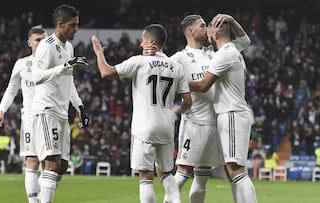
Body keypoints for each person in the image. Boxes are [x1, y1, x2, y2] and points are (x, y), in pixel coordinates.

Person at [144, 14, 251, 203]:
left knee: (203, 176)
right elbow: (160, 71)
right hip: (195, 122)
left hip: (217, 123)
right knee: (184, 171)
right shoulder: (180, 57)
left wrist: (232, 21)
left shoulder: (215, 53)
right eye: (202, 26)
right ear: (191, 31)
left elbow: (244, 41)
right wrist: (149, 53)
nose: (206, 28)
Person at [91, 24, 192, 203]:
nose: (140, 44)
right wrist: (176, 111)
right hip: (167, 127)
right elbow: (187, 101)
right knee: (166, 174)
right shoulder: (176, 67)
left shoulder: (139, 61)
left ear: (151, 41)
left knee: (146, 176)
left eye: (143, 40)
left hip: (145, 126)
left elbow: (106, 72)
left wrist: (99, 53)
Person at [188, 15, 258, 203]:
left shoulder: (224, 54)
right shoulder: (232, 49)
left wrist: (178, 83)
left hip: (231, 114)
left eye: (208, 28)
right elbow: (246, 40)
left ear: (215, 33)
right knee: (232, 171)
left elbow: (203, 85)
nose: (206, 32)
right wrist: (233, 21)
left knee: (237, 170)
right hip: (231, 114)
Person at [31, 4, 89, 203]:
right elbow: (36, 76)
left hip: (63, 112)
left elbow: (69, 80)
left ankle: (41, 199)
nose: (76, 29)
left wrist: (79, 106)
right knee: (52, 162)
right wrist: (63, 66)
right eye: (73, 25)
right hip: (47, 109)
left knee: (63, 165)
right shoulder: (47, 45)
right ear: (60, 24)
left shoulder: (69, 47)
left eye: (77, 25)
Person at [0, 25, 47, 203]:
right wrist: (1, 111)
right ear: (29, 42)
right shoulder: (22, 64)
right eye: (38, 40)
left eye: (44, 39)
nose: (41, 43)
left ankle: (45, 198)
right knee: (31, 161)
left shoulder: (54, 63)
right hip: (30, 118)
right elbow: (11, 90)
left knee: (52, 164)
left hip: (50, 117)